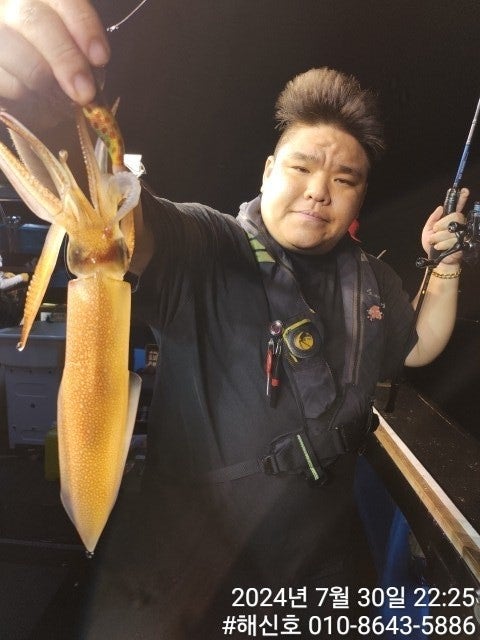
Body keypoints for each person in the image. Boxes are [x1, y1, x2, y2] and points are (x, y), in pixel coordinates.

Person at [0, 2, 467, 638]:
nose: (319, 189)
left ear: (360, 196)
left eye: (345, 179)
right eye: (301, 166)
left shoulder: (371, 280)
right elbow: (119, 220)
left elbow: (417, 346)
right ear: (269, 171)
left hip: (319, 575)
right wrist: (52, 112)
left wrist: (446, 265)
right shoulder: (207, 246)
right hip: (197, 578)